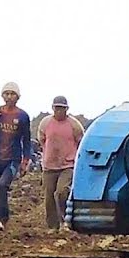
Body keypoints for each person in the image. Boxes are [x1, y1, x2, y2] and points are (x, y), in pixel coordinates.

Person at [0, 81, 32, 231]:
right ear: (2, 95)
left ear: (18, 97)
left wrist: (25, 160)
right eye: (7, 94)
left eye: (12, 94)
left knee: (3, 186)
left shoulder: (22, 116)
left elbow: (27, 140)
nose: (9, 97)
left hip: (13, 159)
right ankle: (4, 216)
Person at [37, 96, 84, 231]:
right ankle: (53, 226)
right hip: (49, 166)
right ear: (52, 108)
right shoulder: (45, 123)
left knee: (62, 192)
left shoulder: (74, 125)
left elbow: (80, 141)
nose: (59, 111)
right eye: (56, 108)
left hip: (67, 165)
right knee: (49, 197)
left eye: (62, 108)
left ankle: (65, 221)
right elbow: (42, 140)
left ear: (66, 109)